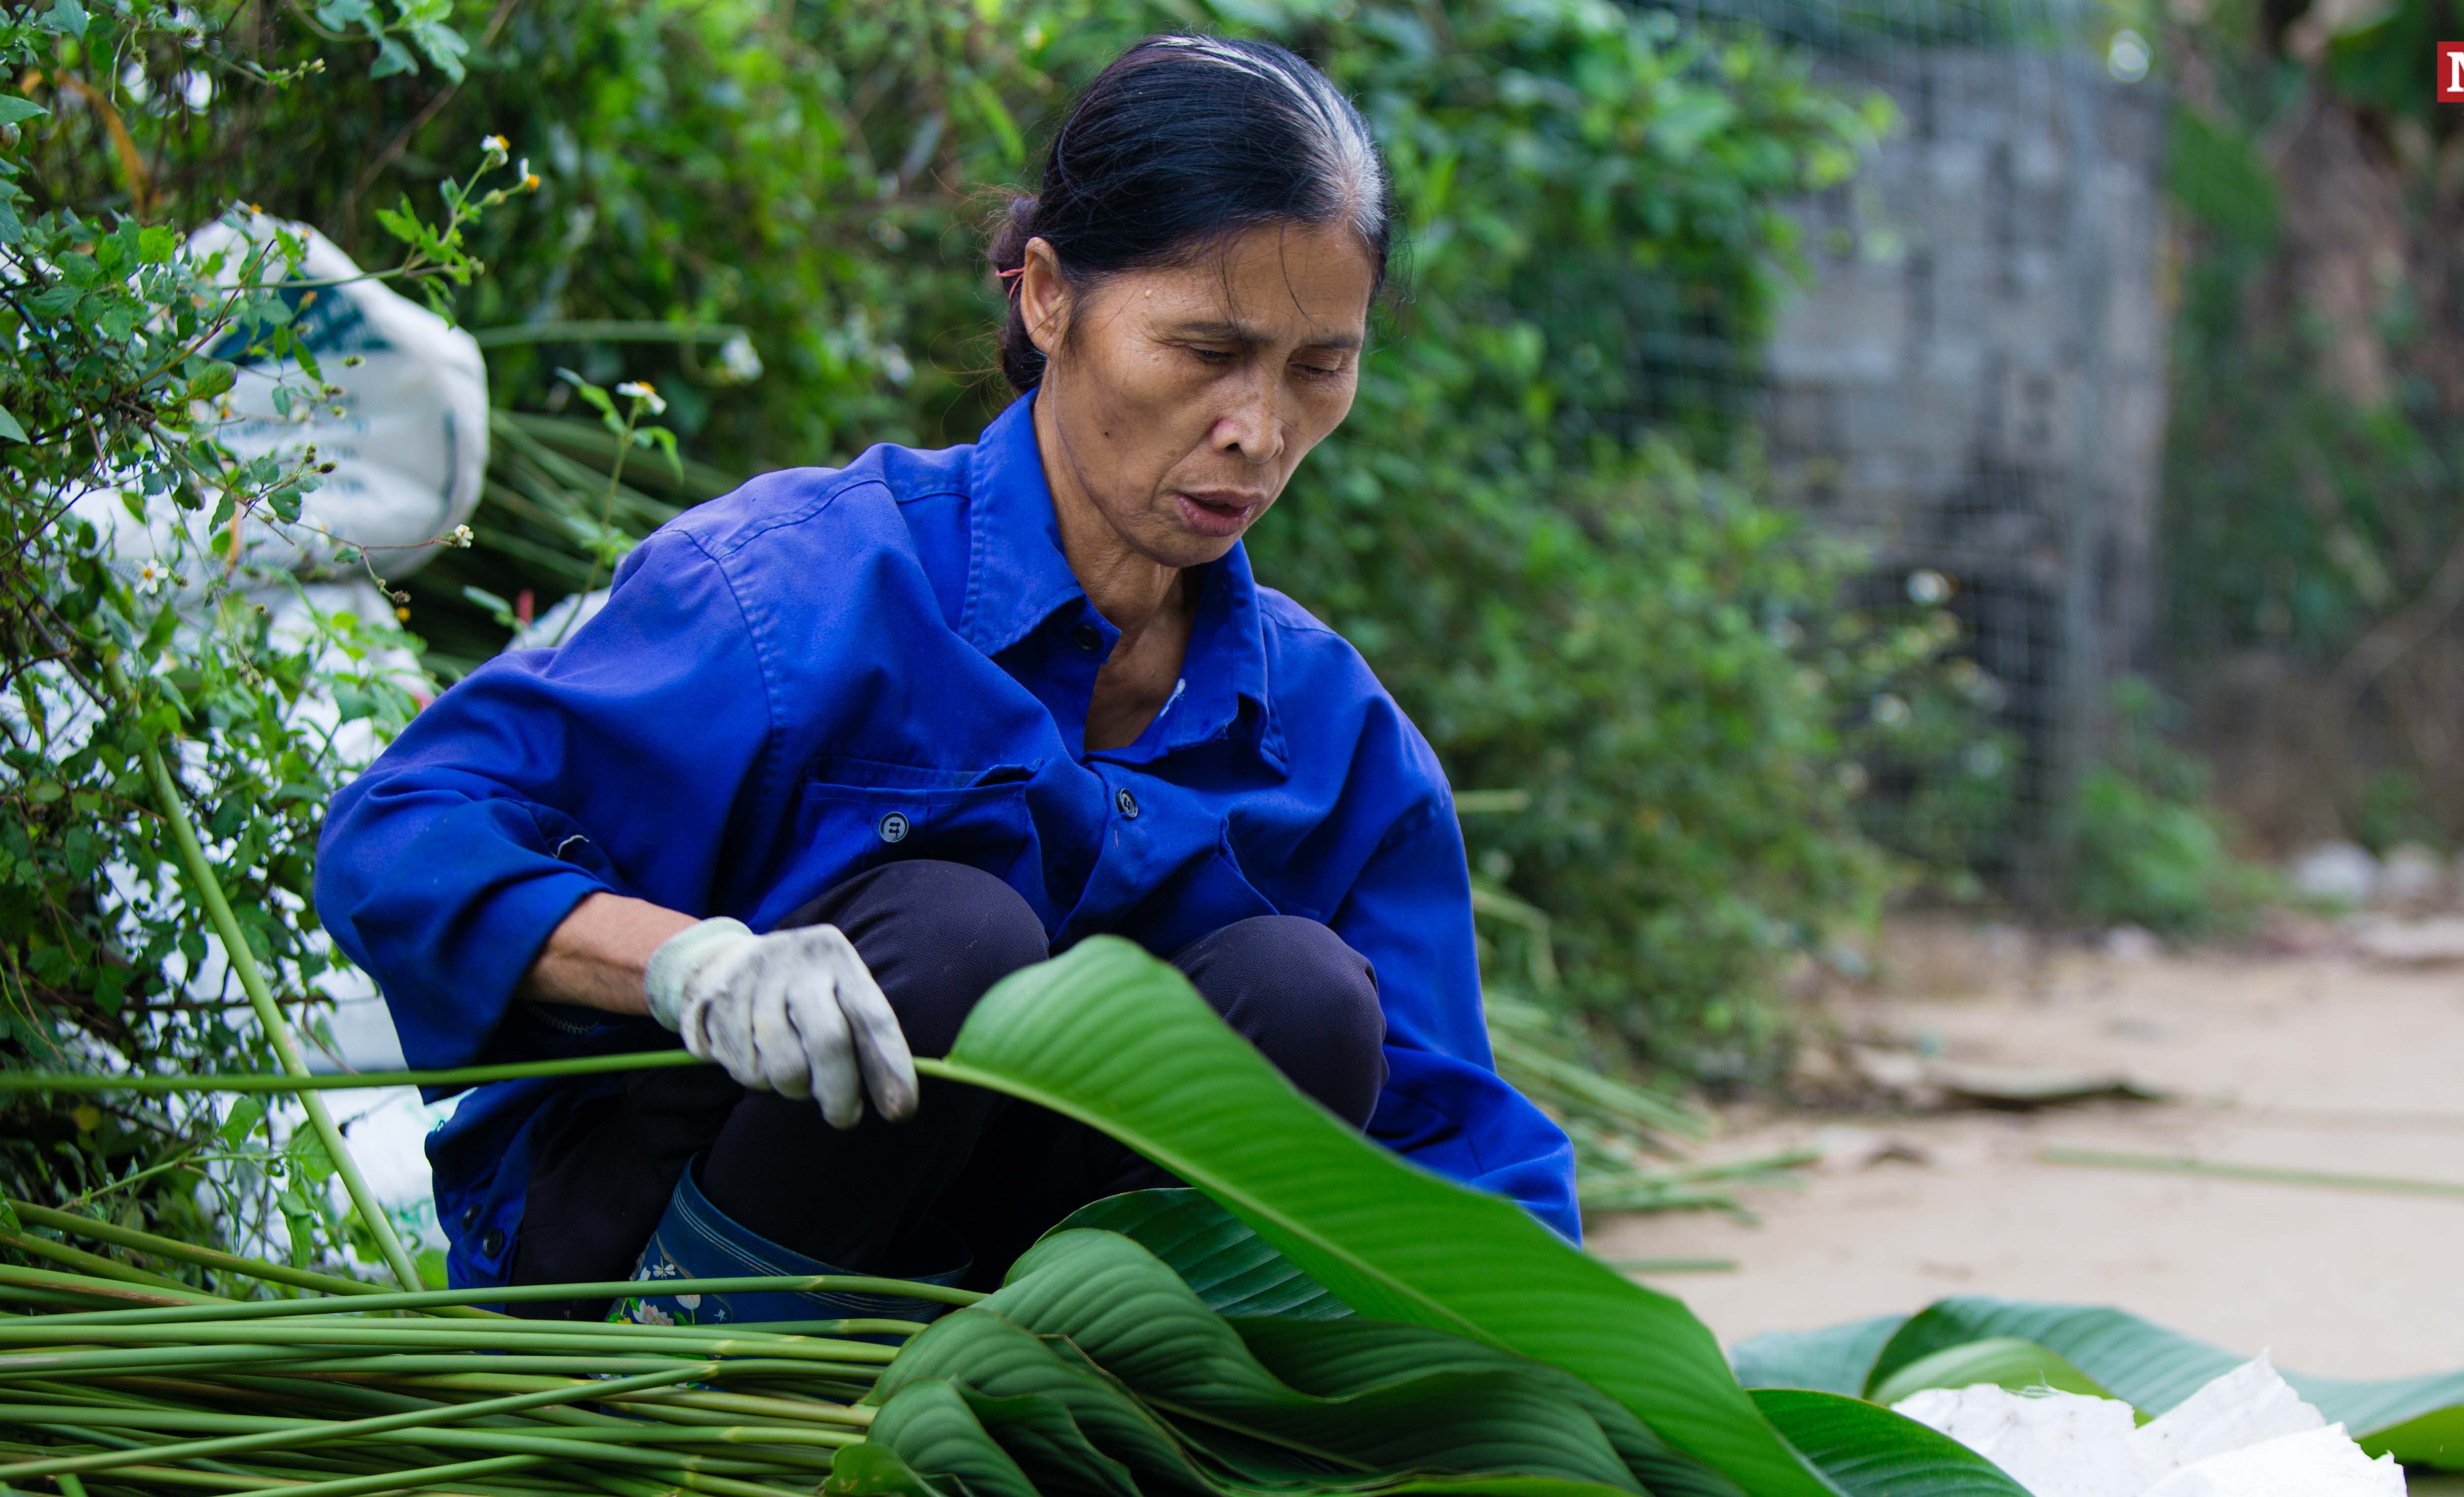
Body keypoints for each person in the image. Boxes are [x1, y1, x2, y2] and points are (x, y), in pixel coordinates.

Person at [318, 35, 1578, 1326]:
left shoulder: (1334, 738)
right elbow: (399, 838)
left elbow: (1460, 1142)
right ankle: (681, 1375)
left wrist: (1582, 1402)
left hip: (1014, 1321)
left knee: (1305, 998)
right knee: (953, 934)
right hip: (657, 1245)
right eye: (1206, 350)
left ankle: (1081, 1411)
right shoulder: (796, 590)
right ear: (1048, 298)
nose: (1258, 430)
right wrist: (689, 966)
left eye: (1319, 368)